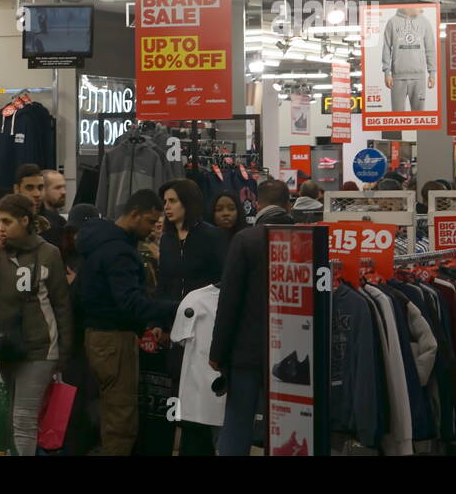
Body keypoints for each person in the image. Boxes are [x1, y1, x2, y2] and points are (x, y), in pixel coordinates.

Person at [75, 190, 180, 455]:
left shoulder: (99, 240)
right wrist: (178, 308)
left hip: (96, 336)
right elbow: (130, 303)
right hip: (114, 339)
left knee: (110, 412)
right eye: (149, 221)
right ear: (134, 214)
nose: (151, 228)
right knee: (120, 420)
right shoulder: (120, 252)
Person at [0, 193, 74, 456]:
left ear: (25, 221)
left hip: (40, 349)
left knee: (23, 419)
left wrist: (63, 354)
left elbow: (61, 305)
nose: (0, 227)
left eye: (7, 221)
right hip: (3, 347)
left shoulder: (49, 253)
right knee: (3, 421)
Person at [210, 179, 295, 455]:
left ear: (257, 204)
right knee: (289, 426)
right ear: (288, 204)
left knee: (238, 423)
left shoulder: (245, 240)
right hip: (294, 351)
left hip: (247, 351)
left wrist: (218, 352)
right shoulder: (307, 238)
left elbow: (229, 301)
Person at [158, 178, 228, 455]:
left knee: (201, 389)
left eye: (172, 201)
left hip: (205, 326)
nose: (167, 207)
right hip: (175, 324)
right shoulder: (167, 239)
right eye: (165, 202)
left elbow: (223, 281)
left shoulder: (210, 236)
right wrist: (160, 323)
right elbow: (165, 282)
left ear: (187, 202)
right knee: (178, 387)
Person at [381, 6, 436, 111]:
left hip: (419, 78)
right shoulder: (392, 22)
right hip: (397, 77)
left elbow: (430, 49)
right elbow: (386, 48)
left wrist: (432, 73)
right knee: (397, 118)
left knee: (419, 117)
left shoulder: (425, 22)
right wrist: (387, 72)